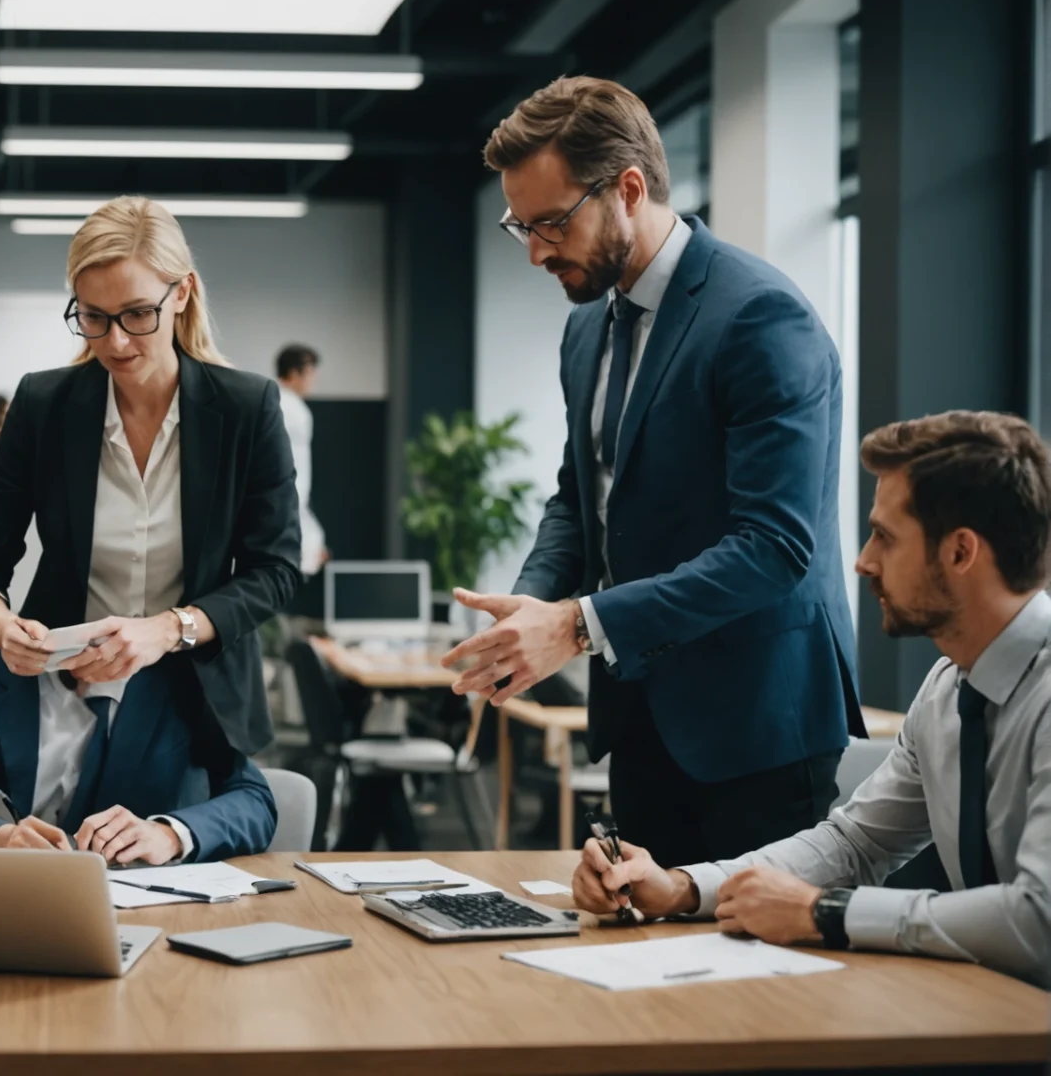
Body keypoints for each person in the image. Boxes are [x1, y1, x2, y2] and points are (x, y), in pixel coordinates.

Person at [447, 77, 862, 865]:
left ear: (628, 190)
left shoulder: (758, 317)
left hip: (757, 727)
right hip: (640, 716)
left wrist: (575, 625)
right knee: (642, 939)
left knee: (753, 950)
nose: (535, 251)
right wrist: (530, 607)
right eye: (519, 226)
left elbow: (774, 548)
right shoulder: (586, 330)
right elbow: (579, 500)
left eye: (551, 222)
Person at [574, 412, 1051, 987]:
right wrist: (681, 887)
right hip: (993, 1010)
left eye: (885, 536)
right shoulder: (948, 687)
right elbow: (855, 843)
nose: (864, 561)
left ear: (960, 551)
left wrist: (826, 913)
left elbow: (1039, 921)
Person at [0, 195, 301, 762]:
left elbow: (275, 571)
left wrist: (169, 628)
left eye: (138, 314)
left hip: (199, 704)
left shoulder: (246, 407)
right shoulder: (42, 406)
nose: (115, 342)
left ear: (181, 293)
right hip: (62, 698)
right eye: (93, 317)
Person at [0, 642, 277, 862]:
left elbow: (253, 799)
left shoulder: (187, 679)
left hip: (148, 917)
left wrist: (169, 834)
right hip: (4, 910)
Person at [274, 343, 328, 574]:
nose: (313, 379)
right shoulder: (290, 408)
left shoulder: (283, 403)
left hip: (289, 505)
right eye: (310, 372)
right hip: (285, 505)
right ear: (294, 373)